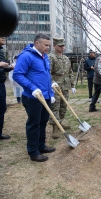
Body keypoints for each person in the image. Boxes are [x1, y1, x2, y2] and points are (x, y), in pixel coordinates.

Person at [13, 33, 56, 162]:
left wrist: (51, 90)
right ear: (37, 43)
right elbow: (18, 75)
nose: (48, 48)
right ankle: (33, 151)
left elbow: (45, 75)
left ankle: (41, 145)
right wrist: (32, 88)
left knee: (43, 122)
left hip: (45, 96)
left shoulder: (44, 57)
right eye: (45, 45)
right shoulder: (26, 56)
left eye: (49, 45)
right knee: (34, 124)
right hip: (33, 97)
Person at [49, 37, 76, 139]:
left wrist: (72, 85)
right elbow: (48, 73)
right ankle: (55, 127)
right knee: (55, 107)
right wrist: (52, 83)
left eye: (63, 46)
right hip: (55, 87)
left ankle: (60, 122)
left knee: (63, 106)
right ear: (54, 46)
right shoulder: (51, 57)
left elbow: (70, 72)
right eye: (60, 46)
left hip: (65, 86)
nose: (62, 48)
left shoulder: (65, 58)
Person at [0, 37, 12, 139]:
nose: (3, 37)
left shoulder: (1, 50)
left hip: (1, 83)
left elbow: (2, 68)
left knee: (2, 108)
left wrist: (10, 67)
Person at [89, 47, 101, 112]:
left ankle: (92, 107)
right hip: (99, 80)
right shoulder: (100, 59)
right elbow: (96, 69)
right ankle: (92, 107)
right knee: (100, 93)